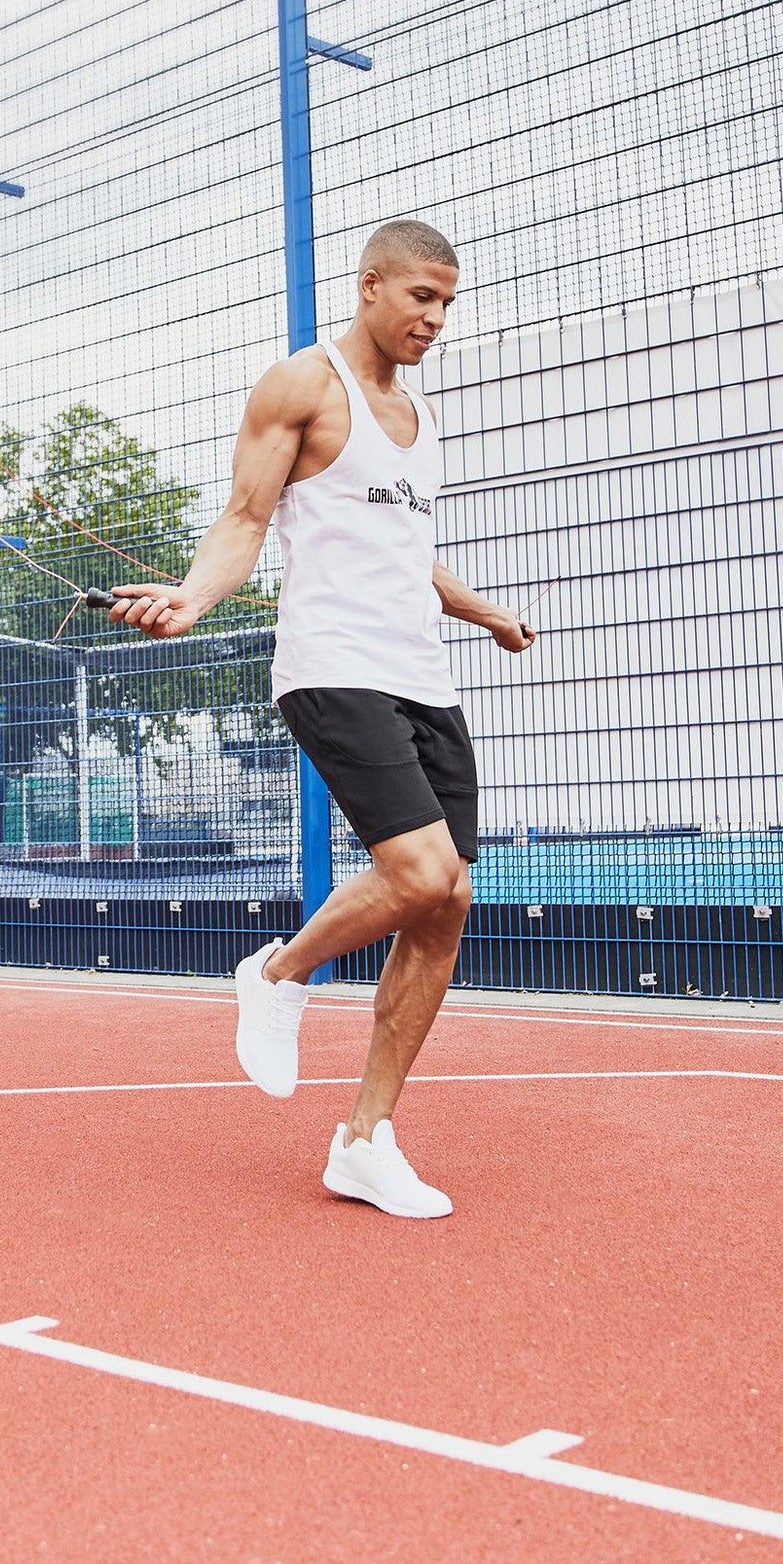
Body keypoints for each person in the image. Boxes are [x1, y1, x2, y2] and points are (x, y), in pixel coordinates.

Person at [110, 219, 534, 1218]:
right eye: (421, 297)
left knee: (447, 900)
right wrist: (193, 598)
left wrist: (485, 612)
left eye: (447, 303)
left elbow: (404, 552)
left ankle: (364, 1140)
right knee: (419, 871)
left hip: (422, 675)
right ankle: (277, 970)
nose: (435, 318)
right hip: (332, 667)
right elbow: (245, 516)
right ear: (369, 285)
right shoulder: (301, 385)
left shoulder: (421, 418)